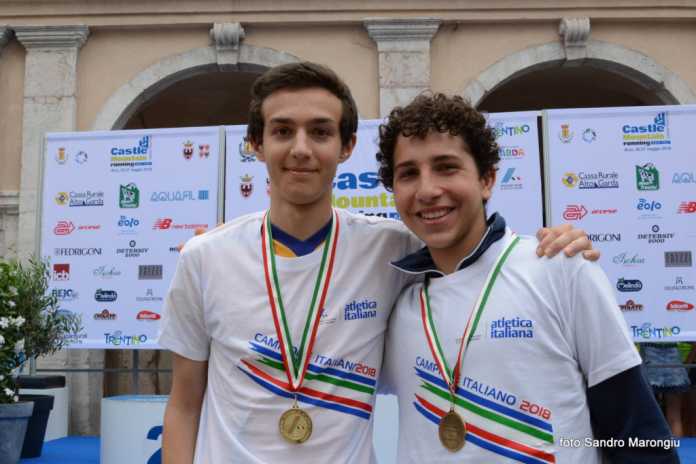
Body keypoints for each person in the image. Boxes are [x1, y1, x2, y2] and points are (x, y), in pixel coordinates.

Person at [158, 62, 594, 464]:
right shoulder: (206, 257)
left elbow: (474, 247)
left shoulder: (394, 248)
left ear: (347, 146)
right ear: (256, 143)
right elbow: (184, 403)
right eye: (283, 131)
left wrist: (554, 242)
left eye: (321, 132)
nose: (301, 149)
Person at [378, 93, 679, 463]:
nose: (427, 190)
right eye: (409, 173)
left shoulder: (560, 268)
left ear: (487, 179)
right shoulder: (396, 299)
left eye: (446, 167)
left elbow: (638, 431)